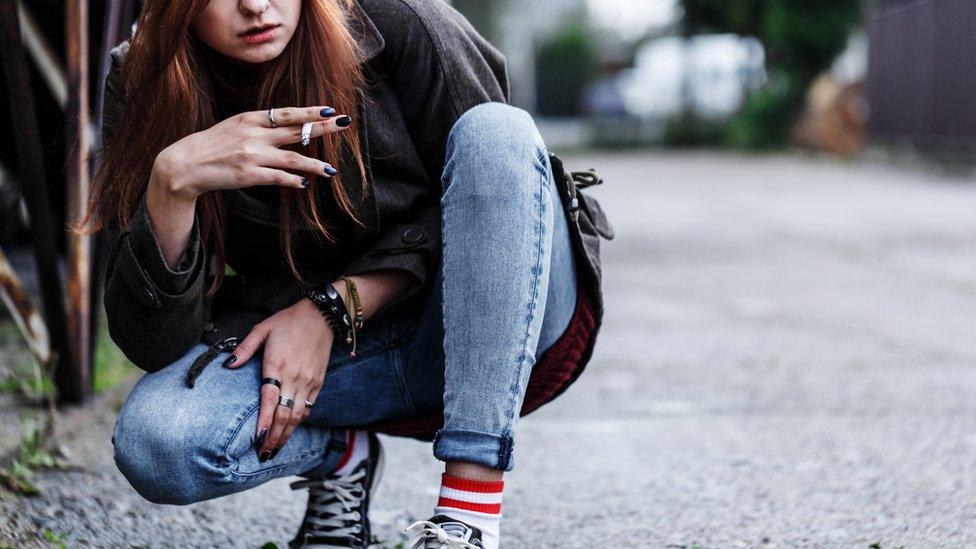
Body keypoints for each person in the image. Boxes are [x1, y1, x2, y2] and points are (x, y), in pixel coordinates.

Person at [84, 0, 612, 547]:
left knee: (498, 130)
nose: (256, 6)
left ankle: (466, 519)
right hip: (327, 368)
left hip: (479, 334)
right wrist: (172, 185)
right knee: (157, 441)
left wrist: (330, 308)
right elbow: (154, 345)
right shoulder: (144, 79)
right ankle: (341, 456)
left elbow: (504, 194)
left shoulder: (398, 21)